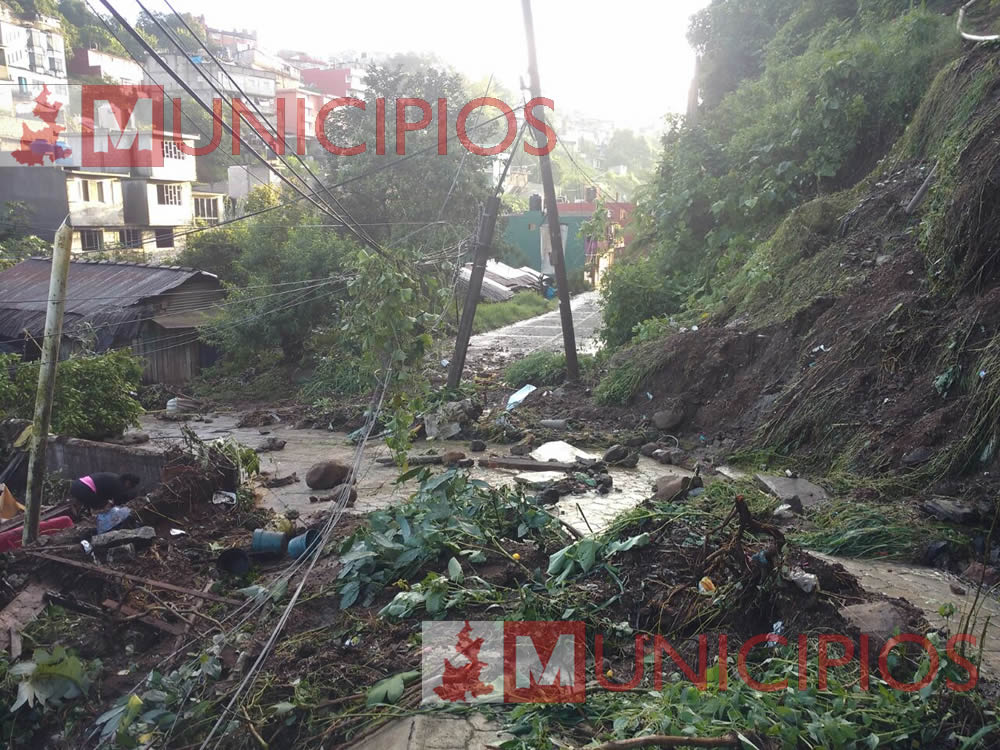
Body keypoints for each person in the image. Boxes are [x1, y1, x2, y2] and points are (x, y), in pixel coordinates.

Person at [69, 472, 140, 513]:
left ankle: (78, 509)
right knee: (103, 507)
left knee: (100, 503)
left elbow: (104, 495)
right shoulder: (119, 485)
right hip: (83, 488)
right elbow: (118, 501)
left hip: (77, 484)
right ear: (128, 482)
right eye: (131, 486)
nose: (129, 489)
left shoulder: (114, 478)